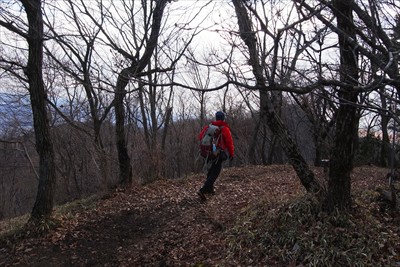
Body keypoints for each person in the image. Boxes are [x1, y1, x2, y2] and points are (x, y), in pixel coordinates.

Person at [198, 111, 234, 201]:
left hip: (208, 152)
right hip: (218, 153)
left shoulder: (209, 127)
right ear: (223, 118)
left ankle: (210, 189)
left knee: (211, 171)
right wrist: (231, 153)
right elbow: (229, 142)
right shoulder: (224, 128)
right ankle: (203, 190)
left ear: (216, 118)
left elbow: (200, 137)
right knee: (215, 172)